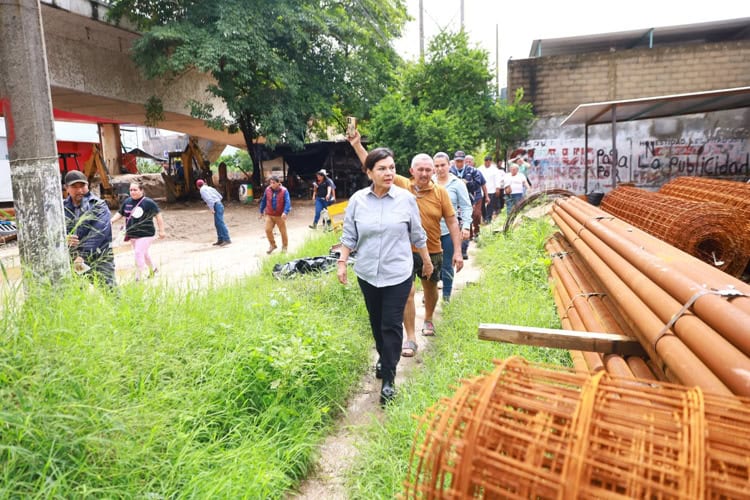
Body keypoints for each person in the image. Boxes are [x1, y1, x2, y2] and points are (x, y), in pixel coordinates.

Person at [336, 147, 432, 406]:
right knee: (377, 321)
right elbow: (349, 236)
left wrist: (426, 259)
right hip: (367, 273)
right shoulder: (357, 200)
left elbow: (417, 233)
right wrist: (342, 262)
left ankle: (389, 377)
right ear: (369, 172)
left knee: (391, 324)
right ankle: (383, 356)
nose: (389, 173)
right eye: (382, 168)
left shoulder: (406, 199)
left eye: (391, 167)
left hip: (398, 273)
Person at [63, 170, 116, 288]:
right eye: (74, 187)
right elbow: (54, 230)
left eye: (82, 186)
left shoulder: (98, 205)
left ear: (88, 186)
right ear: (66, 188)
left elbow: (98, 233)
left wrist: (82, 255)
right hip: (73, 258)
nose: (79, 190)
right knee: (76, 295)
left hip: (99, 257)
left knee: (110, 292)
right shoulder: (62, 208)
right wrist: (64, 238)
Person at [433, 152, 471, 302]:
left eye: (443, 165)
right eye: (436, 166)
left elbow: (466, 207)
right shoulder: (429, 182)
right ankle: (430, 294)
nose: (440, 169)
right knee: (430, 265)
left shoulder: (457, 184)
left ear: (449, 165)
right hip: (431, 232)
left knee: (447, 264)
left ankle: (446, 298)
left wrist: (466, 226)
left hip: (449, 231)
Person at [111, 182, 165, 281]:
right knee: (143, 253)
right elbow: (120, 213)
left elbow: (158, 216)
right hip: (132, 234)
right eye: (131, 190)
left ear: (141, 190)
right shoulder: (127, 201)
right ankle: (153, 269)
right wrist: (111, 221)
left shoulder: (148, 202)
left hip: (146, 233)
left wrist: (162, 231)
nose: (132, 192)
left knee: (138, 252)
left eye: (135, 190)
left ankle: (138, 276)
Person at [450, 150, 486, 259]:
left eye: (461, 161)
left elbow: (478, 184)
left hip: (468, 201)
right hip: (453, 203)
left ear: (464, 161)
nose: (459, 163)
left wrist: (467, 183)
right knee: (454, 225)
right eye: (457, 161)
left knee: (466, 224)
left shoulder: (473, 171)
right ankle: (455, 250)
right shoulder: (450, 171)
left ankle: (464, 250)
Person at [259, 175, 291, 254]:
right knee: (267, 230)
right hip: (269, 214)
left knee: (283, 232)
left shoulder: (284, 191)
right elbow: (264, 200)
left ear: (278, 183)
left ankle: (284, 247)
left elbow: (288, 202)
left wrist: (285, 212)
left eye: (273, 183)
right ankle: (272, 245)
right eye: (270, 183)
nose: (271, 184)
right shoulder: (267, 190)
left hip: (280, 215)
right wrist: (261, 211)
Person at [196, 179, 231, 246]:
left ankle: (227, 239)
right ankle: (220, 239)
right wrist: (217, 202)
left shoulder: (202, 190)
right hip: (219, 204)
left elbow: (209, 200)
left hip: (216, 205)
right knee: (217, 223)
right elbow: (220, 196)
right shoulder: (209, 188)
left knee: (220, 223)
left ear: (197, 186)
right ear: (204, 183)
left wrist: (212, 208)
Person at [478, 155, 502, 223]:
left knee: (490, 205)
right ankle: (484, 217)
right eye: (486, 161)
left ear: (491, 162)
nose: (487, 163)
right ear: (484, 161)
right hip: (481, 190)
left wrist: (498, 188)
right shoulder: (479, 169)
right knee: (482, 205)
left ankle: (488, 218)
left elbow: (498, 179)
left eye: (489, 161)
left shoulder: (495, 170)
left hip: (492, 189)